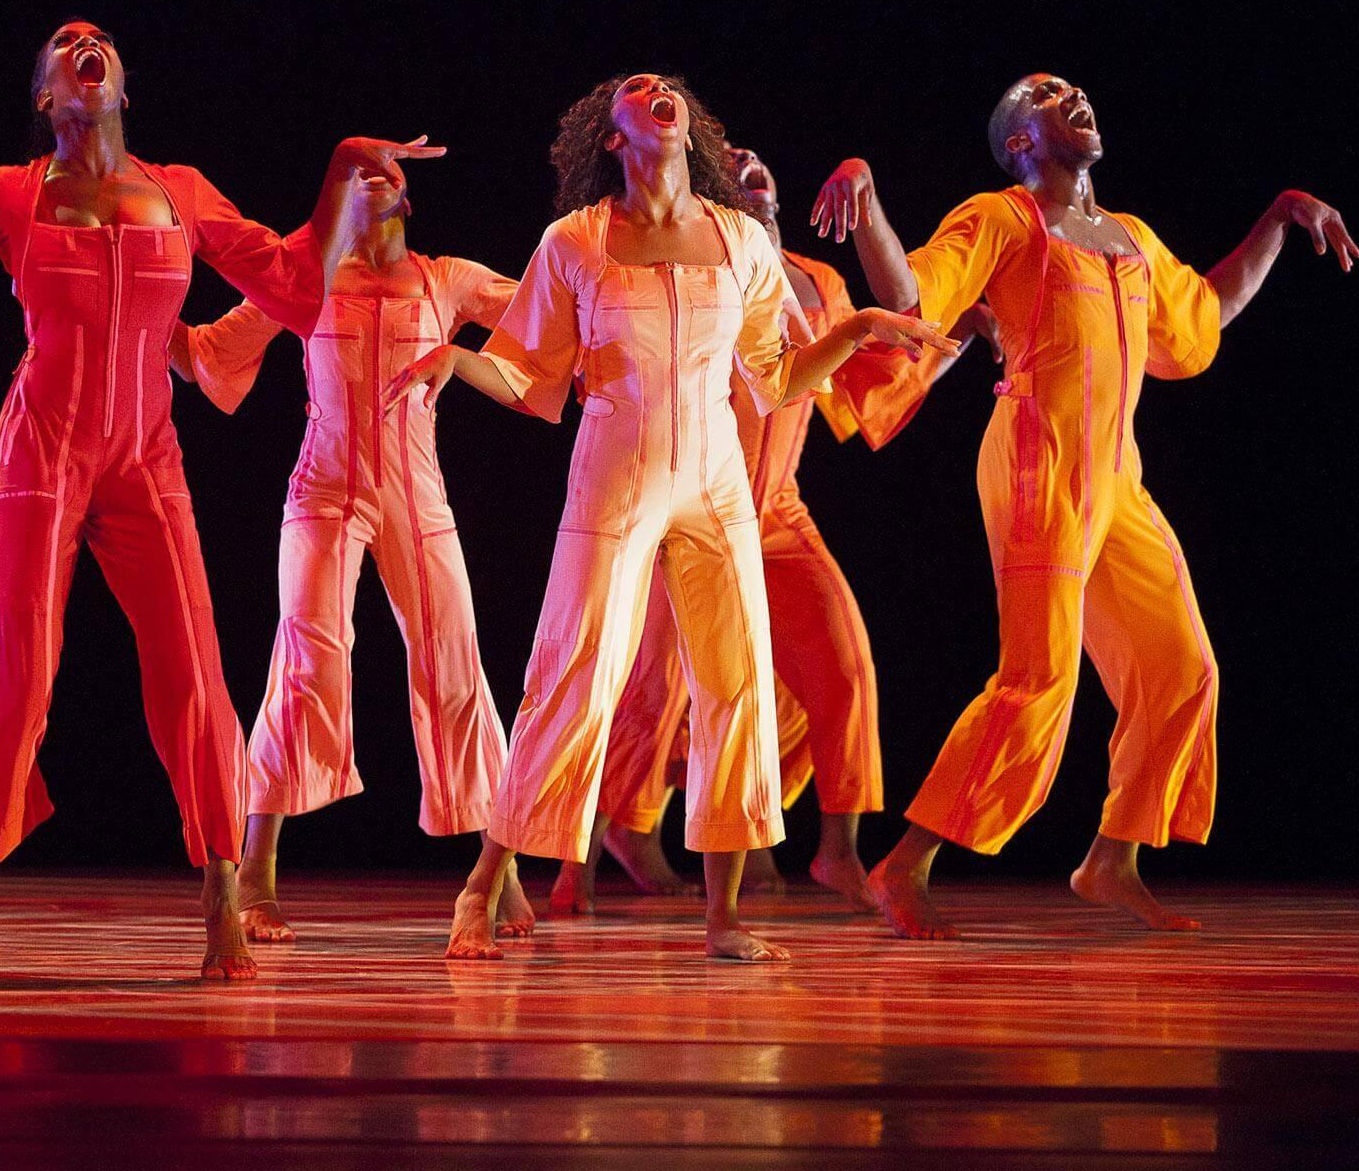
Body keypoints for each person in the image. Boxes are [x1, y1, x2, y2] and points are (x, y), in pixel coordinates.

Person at [0, 19, 431, 980]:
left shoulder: (178, 191)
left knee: (193, 670)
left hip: (147, 458)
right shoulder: (11, 193)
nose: (82, 45)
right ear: (46, 97)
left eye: (95, 42)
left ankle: (223, 899)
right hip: (41, 452)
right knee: (17, 676)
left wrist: (341, 165)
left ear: (119, 86)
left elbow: (294, 288)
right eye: (64, 46)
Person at [393, 74, 953, 963]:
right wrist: (457, 363)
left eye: (668, 86)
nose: (658, 89)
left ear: (688, 128)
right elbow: (534, 380)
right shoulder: (576, 240)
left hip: (718, 482)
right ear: (612, 139)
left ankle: (725, 918)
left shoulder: (738, 239)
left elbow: (773, 379)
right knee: (576, 670)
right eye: (636, 89)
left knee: (736, 681)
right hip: (617, 475)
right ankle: (483, 884)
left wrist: (857, 330)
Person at [810, 73, 1358, 937]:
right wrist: (868, 194)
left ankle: (1112, 859)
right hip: (1037, 464)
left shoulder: (1129, 238)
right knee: (1039, 681)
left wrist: (1282, 215)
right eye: (1045, 95)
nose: (1071, 96)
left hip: (1118, 481)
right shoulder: (1001, 217)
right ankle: (904, 864)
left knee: (1184, 668)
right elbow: (915, 298)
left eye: (1074, 88)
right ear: (1020, 142)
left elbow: (1204, 316)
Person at [553, 145, 990, 915]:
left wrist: (953, 339)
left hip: (778, 514)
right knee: (639, 689)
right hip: (680, 499)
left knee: (843, 665)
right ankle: (577, 861)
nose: (750, 161)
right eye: (731, 162)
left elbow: (873, 375)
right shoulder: (700, 265)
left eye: (758, 158)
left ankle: (839, 851)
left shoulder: (818, 281)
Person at [170, 188, 531, 944]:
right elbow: (207, 351)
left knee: (456, 665)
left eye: (388, 168)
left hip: (416, 493)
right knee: (308, 660)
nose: (375, 178)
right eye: (359, 169)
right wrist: (114, 313)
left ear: (408, 195)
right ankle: (256, 875)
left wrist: (463, 354)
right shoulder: (310, 279)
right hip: (325, 488)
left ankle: (500, 875)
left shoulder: (449, 280)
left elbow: (548, 317)